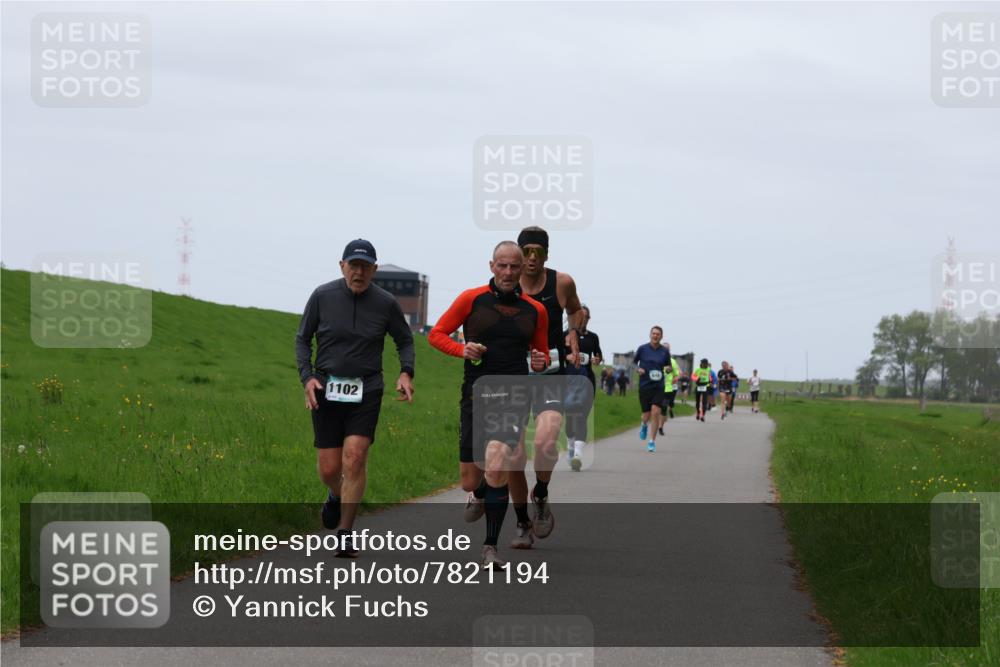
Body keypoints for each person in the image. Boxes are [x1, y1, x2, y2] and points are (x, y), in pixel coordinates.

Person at [428, 241, 549, 567]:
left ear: (523, 268)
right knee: (470, 479)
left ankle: (490, 546)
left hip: (513, 393)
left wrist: (539, 362)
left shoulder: (535, 310)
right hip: (476, 392)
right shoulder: (471, 299)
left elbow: (541, 354)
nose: (509, 272)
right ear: (492, 266)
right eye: (503, 266)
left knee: (497, 463)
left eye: (514, 266)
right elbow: (436, 334)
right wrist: (461, 350)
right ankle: (480, 493)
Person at [296, 239, 415, 557]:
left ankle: (345, 532)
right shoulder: (323, 296)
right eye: (353, 265)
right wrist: (307, 377)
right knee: (329, 469)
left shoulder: (386, 303)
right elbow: (302, 339)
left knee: (355, 457)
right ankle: (336, 496)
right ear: (342, 266)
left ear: (374, 270)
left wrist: (406, 373)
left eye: (365, 266)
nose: (358, 271)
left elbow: (404, 341)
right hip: (326, 388)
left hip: (367, 389)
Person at [508, 226, 585, 549]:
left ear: (546, 255)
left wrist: (573, 335)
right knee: (513, 453)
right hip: (512, 374)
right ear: (518, 253)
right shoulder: (506, 282)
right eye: (526, 252)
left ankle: (540, 492)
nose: (532, 258)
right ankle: (523, 522)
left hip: (551, 373)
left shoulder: (562, 283)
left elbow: (576, 311)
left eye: (538, 252)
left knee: (546, 440)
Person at [563, 305, 602, 471]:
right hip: (568, 380)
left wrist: (597, 359)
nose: (582, 319)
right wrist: (567, 356)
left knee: (582, 416)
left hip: (587, 379)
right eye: (580, 316)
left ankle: (578, 455)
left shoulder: (593, 337)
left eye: (585, 316)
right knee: (571, 417)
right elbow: (556, 354)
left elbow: (598, 354)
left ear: (588, 319)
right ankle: (571, 446)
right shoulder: (565, 335)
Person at [634, 326, 671, 453]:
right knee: (646, 415)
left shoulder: (664, 351)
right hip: (645, 386)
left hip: (659, 386)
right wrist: (638, 369)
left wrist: (668, 369)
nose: (655, 336)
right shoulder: (642, 349)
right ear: (650, 335)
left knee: (655, 412)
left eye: (658, 334)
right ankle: (644, 425)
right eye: (653, 333)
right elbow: (634, 362)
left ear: (661, 336)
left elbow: (668, 365)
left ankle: (652, 442)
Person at [658, 351, 681, 434]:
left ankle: (660, 427)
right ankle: (656, 422)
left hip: (668, 389)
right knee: (656, 408)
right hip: (657, 389)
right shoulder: (656, 360)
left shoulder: (673, 362)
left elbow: (678, 374)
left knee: (664, 408)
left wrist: (676, 378)